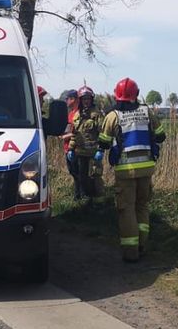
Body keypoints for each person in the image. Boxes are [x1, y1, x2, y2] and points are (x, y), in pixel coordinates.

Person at [97, 78, 165, 262]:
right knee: (142, 206)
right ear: (136, 94)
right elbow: (161, 136)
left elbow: (103, 141)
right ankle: (142, 245)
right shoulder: (147, 111)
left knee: (126, 209)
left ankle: (131, 252)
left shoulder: (113, 116)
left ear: (117, 96)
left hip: (125, 170)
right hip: (147, 168)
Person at [65, 86, 106, 203]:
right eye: (83, 99)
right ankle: (84, 201)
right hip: (80, 153)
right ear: (80, 100)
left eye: (88, 99)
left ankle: (99, 202)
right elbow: (74, 134)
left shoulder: (97, 114)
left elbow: (103, 134)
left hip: (93, 153)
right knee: (82, 178)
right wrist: (71, 149)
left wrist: (101, 150)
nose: (86, 101)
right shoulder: (77, 115)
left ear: (92, 99)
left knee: (96, 177)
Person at [63, 89, 81, 199]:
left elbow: (79, 132)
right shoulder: (70, 114)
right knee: (73, 172)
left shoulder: (78, 114)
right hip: (67, 148)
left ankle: (79, 196)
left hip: (75, 148)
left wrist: (66, 136)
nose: (66, 101)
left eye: (67, 99)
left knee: (77, 173)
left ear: (73, 99)